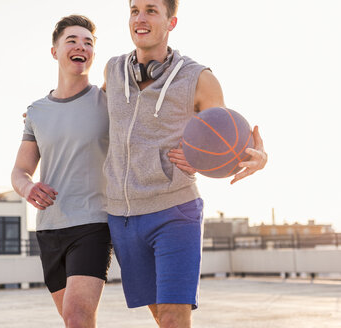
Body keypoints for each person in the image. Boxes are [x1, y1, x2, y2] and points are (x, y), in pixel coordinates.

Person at [102, 0, 268, 327]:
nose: (140, 18)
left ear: (171, 22)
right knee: (162, 320)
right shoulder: (113, 69)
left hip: (175, 211)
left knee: (173, 319)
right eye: (135, 10)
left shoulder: (198, 78)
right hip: (122, 215)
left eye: (151, 10)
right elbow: (89, 113)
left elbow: (224, 137)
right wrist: (45, 114)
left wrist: (257, 157)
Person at [11, 15, 112, 328]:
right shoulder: (37, 111)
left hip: (94, 223)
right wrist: (28, 188)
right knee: (74, 322)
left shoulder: (108, 100)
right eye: (72, 40)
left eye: (88, 43)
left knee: (77, 317)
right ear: (54, 51)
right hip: (50, 228)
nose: (81, 46)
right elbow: (19, 171)